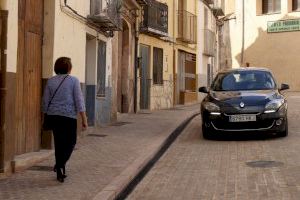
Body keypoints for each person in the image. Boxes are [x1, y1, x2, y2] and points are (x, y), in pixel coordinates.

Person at [42, 57, 88, 182]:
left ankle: (59, 170)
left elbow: (45, 101)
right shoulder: (73, 81)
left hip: (54, 116)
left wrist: (45, 115)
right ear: (69, 68)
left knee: (59, 143)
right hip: (68, 117)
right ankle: (60, 164)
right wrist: (84, 118)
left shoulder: (50, 81)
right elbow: (79, 100)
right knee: (71, 142)